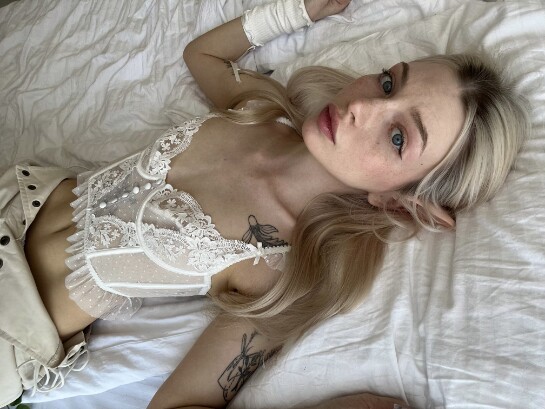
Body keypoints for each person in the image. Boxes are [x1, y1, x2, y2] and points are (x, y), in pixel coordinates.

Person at [0, 0, 528, 407]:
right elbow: (202, 56)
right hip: (20, 192)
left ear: (401, 201)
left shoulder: (279, 270)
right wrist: (298, 12)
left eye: (397, 137)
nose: (363, 104)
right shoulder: (263, 110)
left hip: (14, 320)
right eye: (389, 82)